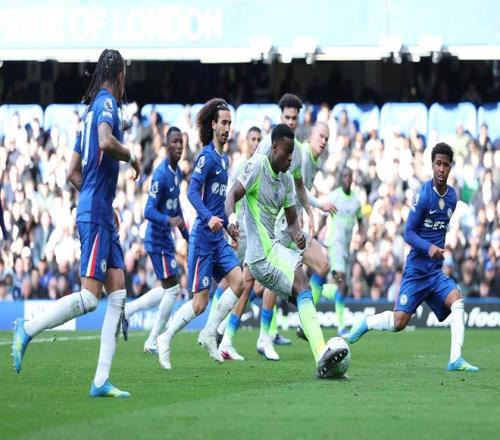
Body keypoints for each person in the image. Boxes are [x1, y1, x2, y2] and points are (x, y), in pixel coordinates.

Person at [11, 49, 141, 397]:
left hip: (99, 210)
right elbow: (106, 142)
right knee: (90, 297)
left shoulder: (89, 112)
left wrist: (100, 201)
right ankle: (28, 328)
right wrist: (131, 156)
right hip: (96, 212)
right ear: (120, 74)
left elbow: (72, 171)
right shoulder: (107, 104)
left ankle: (100, 381)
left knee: (118, 293)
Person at [226, 123, 348, 379]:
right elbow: (232, 195)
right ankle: (240, 336)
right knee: (296, 283)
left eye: (293, 153)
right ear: (274, 148)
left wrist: (299, 236)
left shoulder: (287, 180)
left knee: (301, 292)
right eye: (287, 152)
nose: (291, 158)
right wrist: (232, 220)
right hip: (260, 255)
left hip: (272, 251)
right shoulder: (257, 166)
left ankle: (320, 356)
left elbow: (292, 223)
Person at [348, 142, 479, 372]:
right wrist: (429, 248)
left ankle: (455, 359)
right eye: (438, 164)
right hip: (417, 272)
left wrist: (437, 250)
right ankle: (366, 323)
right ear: (432, 165)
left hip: (435, 272)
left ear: (450, 167)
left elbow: (439, 228)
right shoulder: (423, 196)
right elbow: (408, 232)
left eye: (446, 165)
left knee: (457, 301)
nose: (441, 169)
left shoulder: (452, 197)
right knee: (399, 323)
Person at [157, 98, 244, 370]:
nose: (227, 128)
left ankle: (209, 333)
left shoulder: (224, 159)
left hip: (218, 237)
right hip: (203, 239)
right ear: (213, 124)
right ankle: (165, 338)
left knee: (239, 281)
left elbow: (218, 203)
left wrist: (228, 226)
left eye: (230, 123)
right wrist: (209, 219)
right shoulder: (206, 157)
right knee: (199, 304)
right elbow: (192, 193)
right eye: (223, 123)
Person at [256, 95, 334, 359]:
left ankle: (303, 322)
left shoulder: (301, 154)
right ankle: (261, 336)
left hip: (294, 226)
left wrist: (312, 210)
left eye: (294, 118)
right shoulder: (285, 148)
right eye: (320, 137)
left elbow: (299, 187)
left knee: (322, 265)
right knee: (257, 282)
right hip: (277, 226)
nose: (323, 142)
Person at [121, 126, 189, 353]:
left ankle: (129, 311)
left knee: (168, 289)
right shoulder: (160, 174)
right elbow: (148, 211)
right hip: (157, 239)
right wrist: (168, 221)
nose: (179, 145)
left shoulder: (177, 172)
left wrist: (187, 236)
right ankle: (151, 342)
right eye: (175, 142)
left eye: (181, 142)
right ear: (167, 145)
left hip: (165, 239)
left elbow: (176, 208)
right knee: (173, 290)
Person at [319, 167, 363, 338]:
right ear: (340, 178)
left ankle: (319, 290)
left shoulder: (356, 201)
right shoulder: (334, 196)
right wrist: (317, 232)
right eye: (344, 176)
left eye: (349, 176)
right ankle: (341, 326)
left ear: (352, 179)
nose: (347, 179)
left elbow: (361, 221)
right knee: (341, 281)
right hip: (334, 244)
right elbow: (323, 216)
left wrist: (362, 237)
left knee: (343, 287)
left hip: (346, 248)